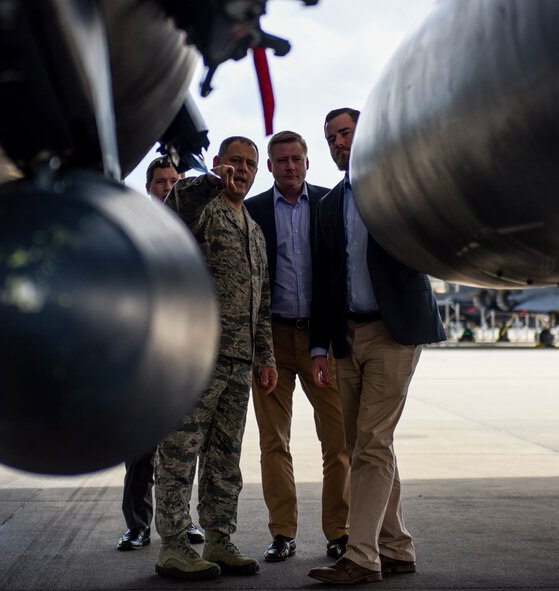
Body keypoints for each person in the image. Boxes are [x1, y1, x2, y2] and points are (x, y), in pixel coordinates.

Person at [307, 108, 446, 585]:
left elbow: (434, 235)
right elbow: (323, 281)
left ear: (366, 134)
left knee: (372, 442)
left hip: (394, 331)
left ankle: (362, 556)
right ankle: (397, 547)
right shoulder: (328, 205)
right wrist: (318, 348)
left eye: (345, 133)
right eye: (331, 138)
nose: (338, 143)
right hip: (346, 336)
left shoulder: (403, 187)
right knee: (363, 444)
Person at [155, 136, 278, 579]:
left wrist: (266, 357)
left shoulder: (255, 231)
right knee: (180, 450)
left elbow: (262, 303)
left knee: (225, 458)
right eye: (233, 163)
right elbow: (178, 206)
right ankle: (172, 543)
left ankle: (220, 538)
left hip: (239, 363)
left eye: (249, 164)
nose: (241, 171)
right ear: (219, 164)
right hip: (197, 359)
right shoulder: (202, 208)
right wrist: (208, 181)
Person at [244, 131, 350, 563]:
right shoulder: (251, 211)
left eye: (297, 159)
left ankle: (339, 532)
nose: (290, 166)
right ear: (269, 167)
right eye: (281, 160)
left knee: (338, 442)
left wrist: (325, 342)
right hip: (270, 341)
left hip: (319, 341)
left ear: (308, 163)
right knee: (274, 442)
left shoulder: (329, 205)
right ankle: (283, 532)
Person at [116, 156, 203, 552]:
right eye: (159, 182)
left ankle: (182, 522)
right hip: (141, 354)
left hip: (185, 352)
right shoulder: (132, 227)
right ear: (148, 187)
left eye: (173, 181)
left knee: (184, 448)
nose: (167, 187)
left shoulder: (199, 226)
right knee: (140, 449)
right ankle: (137, 525)